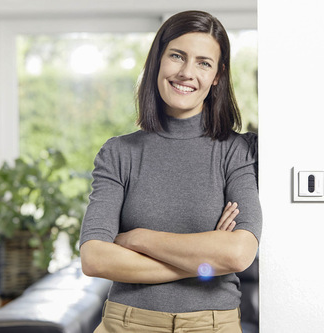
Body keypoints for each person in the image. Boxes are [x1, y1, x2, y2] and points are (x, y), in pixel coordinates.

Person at [79, 10, 262, 333]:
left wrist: (138, 239)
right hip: (126, 324)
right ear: (157, 61)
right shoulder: (118, 152)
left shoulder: (236, 151)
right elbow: (95, 259)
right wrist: (204, 259)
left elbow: (237, 253)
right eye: (177, 56)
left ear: (217, 75)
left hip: (213, 325)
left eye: (203, 62)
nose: (187, 72)